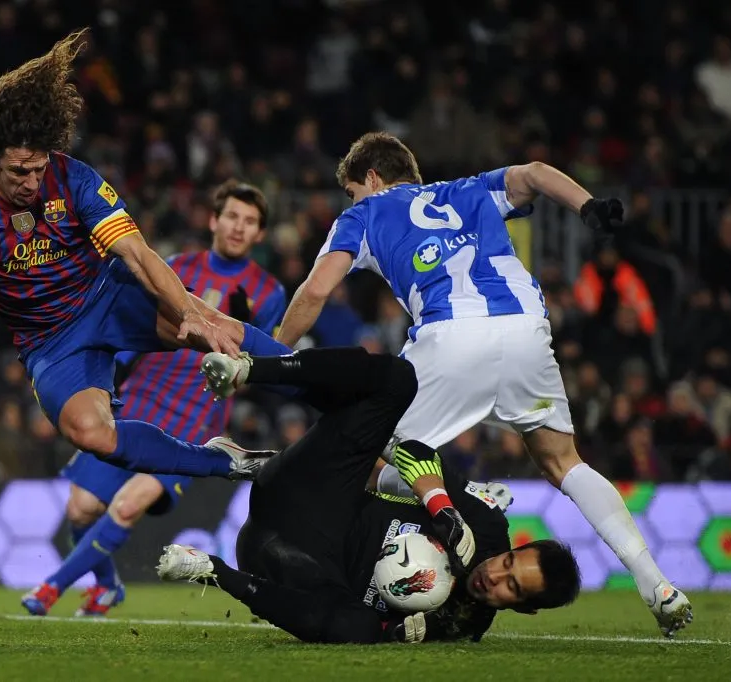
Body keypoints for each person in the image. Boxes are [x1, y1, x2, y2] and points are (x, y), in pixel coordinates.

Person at [205, 132, 691, 637]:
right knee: (564, 462)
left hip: (450, 336)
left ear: (371, 177)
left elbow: (315, 290)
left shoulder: (364, 215)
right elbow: (535, 173)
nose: (351, 201)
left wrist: (277, 363)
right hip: (525, 328)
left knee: (368, 446)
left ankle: (457, 494)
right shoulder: (470, 189)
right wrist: (588, 206)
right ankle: (656, 583)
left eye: (351, 191)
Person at [0, 32, 291, 483]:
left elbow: (137, 254)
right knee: (92, 433)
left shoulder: (74, 178)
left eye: (38, 169)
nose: (32, 182)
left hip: (109, 297)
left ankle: (323, 383)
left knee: (219, 329)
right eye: (19, 172)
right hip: (49, 340)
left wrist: (190, 313)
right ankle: (225, 461)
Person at [160, 347, 581, 644]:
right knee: (399, 379)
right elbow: (412, 452)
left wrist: (396, 634)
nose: (495, 576)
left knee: (358, 631)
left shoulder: (465, 622)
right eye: (508, 563)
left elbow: (395, 631)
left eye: (513, 587)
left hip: (292, 570)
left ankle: (210, 569)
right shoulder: (485, 525)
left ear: (524, 608)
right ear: (513, 549)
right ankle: (247, 370)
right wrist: (442, 506)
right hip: (308, 500)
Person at [21, 180, 285, 616]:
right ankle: (107, 587)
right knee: (81, 508)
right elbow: (126, 327)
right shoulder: (176, 266)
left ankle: (50, 588)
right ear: (214, 220)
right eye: (232, 216)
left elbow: (263, 360)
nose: (239, 227)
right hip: (139, 400)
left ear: (260, 234)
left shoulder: (268, 292)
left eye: (250, 221)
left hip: (195, 416)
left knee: (128, 505)